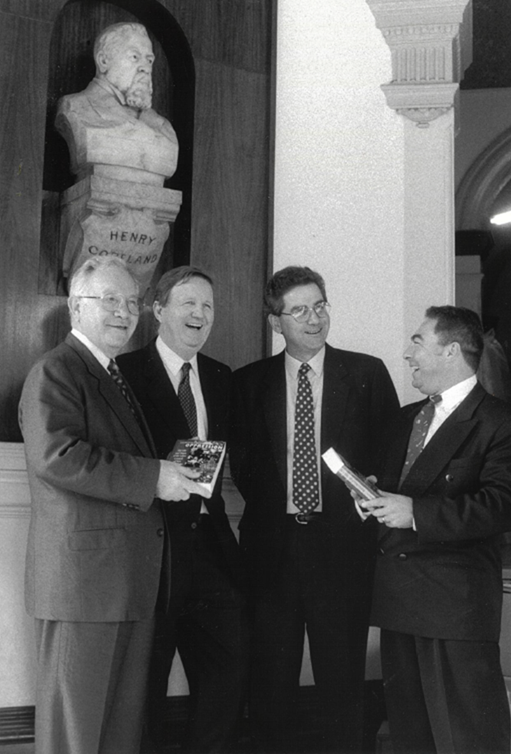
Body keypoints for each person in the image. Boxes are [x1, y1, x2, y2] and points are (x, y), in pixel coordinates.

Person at [19, 256, 209, 754]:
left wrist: (165, 468)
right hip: (83, 587)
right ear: (74, 307)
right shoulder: (57, 370)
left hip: (122, 584)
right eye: (109, 300)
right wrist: (154, 477)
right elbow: (56, 456)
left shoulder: (109, 374)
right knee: (75, 734)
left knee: (117, 731)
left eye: (130, 302)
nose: (123, 313)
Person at [229, 265, 400, 753]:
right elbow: (242, 462)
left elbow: (390, 454)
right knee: (271, 685)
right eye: (299, 310)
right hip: (272, 552)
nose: (314, 318)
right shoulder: (249, 383)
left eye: (320, 305)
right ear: (275, 322)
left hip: (343, 551)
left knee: (343, 683)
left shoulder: (366, 373)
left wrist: (372, 483)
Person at [360, 306, 511, 754]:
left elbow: (504, 507)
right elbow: (400, 491)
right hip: (398, 601)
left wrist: (415, 513)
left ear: (450, 351)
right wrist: (373, 495)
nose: (407, 353)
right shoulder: (405, 418)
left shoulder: (502, 422)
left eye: (417, 341)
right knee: (413, 737)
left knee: (467, 738)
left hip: (455, 610)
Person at [117, 266, 248, 753]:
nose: (200, 314)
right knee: (145, 680)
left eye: (208, 306)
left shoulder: (219, 377)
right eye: (189, 303)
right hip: (152, 552)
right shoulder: (126, 375)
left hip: (212, 550)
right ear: (158, 311)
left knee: (229, 667)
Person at [56, 22, 178, 180]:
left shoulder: (164, 128)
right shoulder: (75, 106)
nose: (145, 68)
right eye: (134, 57)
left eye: (149, 60)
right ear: (103, 61)